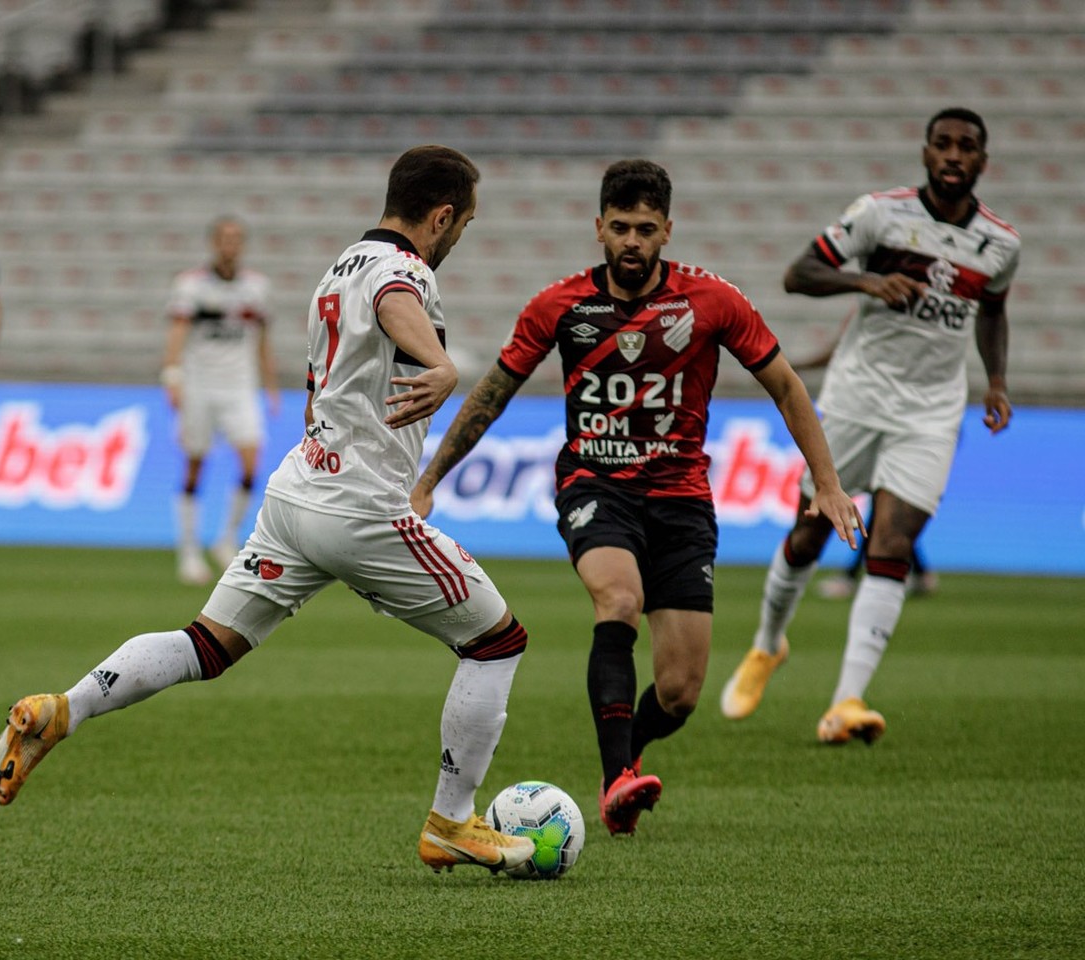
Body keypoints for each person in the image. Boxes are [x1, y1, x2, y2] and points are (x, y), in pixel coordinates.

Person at [0, 145, 535, 876]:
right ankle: (453, 822)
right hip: (362, 510)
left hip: (297, 492)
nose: (459, 236)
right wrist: (440, 364)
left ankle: (67, 706)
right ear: (441, 216)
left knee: (208, 645)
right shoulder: (404, 272)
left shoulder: (337, 267)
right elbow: (397, 302)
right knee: (497, 641)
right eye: (462, 223)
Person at [411, 159, 864, 837]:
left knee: (680, 694)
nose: (631, 240)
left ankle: (627, 759)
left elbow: (788, 387)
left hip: (682, 499)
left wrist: (827, 483)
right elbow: (494, 394)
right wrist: (427, 482)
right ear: (599, 226)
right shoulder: (560, 306)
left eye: (645, 229)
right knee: (617, 599)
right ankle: (618, 778)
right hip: (595, 486)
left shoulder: (713, 302)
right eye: (619, 226)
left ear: (667, 231)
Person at [721, 107, 1017, 743]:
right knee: (808, 536)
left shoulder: (1000, 244)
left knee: (893, 545)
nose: (954, 155)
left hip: (933, 410)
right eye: (943, 144)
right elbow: (797, 274)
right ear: (926, 153)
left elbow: (992, 312)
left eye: (967, 147)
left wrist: (994, 380)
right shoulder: (880, 214)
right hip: (857, 398)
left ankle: (846, 702)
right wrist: (868, 281)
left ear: (983, 162)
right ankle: (768, 644)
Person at [162, 216, 277, 585]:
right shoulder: (192, 286)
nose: (231, 244)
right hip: (199, 386)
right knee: (195, 463)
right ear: (214, 242)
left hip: (240, 386)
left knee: (250, 463)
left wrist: (270, 384)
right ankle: (189, 550)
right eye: (225, 238)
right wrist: (173, 375)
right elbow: (178, 332)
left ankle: (226, 537)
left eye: (236, 238)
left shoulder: (256, 287)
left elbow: (261, 340)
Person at [792, 312, 938, 601]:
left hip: (910, 423)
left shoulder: (906, 314)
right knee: (885, 505)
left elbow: (840, 351)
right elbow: (841, 350)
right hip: (888, 419)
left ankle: (852, 576)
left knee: (886, 504)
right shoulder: (871, 306)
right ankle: (920, 573)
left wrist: (792, 367)